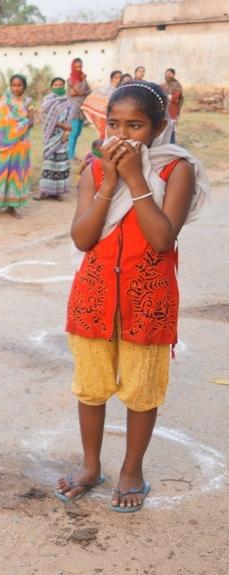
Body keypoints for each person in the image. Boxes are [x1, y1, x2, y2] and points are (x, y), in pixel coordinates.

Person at [57, 81, 210, 512]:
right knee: (90, 386)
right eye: (115, 125)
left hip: (148, 297)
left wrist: (134, 178)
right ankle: (90, 466)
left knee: (142, 389)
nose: (123, 136)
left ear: (160, 127)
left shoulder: (175, 170)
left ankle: (131, 470)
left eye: (136, 126)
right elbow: (83, 239)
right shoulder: (93, 169)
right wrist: (109, 183)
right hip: (94, 294)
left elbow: (162, 238)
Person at [0, 74, 32, 220]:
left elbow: (32, 121)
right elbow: (0, 121)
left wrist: (22, 123)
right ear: (10, 86)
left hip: (20, 144)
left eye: (19, 85)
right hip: (4, 144)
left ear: (24, 86)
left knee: (16, 174)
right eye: (14, 85)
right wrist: (20, 122)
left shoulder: (28, 101)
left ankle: (13, 206)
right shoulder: (5, 101)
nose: (16, 88)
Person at [36, 77, 72, 200]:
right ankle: (44, 191)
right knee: (48, 162)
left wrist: (66, 132)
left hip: (62, 136)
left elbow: (69, 119)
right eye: (56, 85)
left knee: (60, 163)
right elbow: (44, 118)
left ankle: (56, 192)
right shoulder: (47, 101)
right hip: (50, 135)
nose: (58, 87)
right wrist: (62, 125)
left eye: (61, 84)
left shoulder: (67, 102)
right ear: (51, 87)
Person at [66, 58, 91, 161]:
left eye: (80, 66)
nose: (79, 68)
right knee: (73, 132)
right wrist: (83, 91)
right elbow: (78, 92)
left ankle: (71, 154)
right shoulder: (70, 80)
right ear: (72, 67)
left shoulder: (82, 79)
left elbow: (89, 91)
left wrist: (84, 82)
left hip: (82, 108)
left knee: (78, 132)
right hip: (74, 108)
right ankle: (70, 156)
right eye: (76, 66)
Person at [163, 68, 184, 144]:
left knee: (171, 127)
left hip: (172, 109)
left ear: (173, 74)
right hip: (164, 109)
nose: (167, 75)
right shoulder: (164, 84)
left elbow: (175, 97)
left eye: (169, 73)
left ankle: (172, 143)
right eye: (166, 73)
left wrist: (166, 96)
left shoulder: (176, 85)